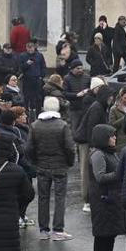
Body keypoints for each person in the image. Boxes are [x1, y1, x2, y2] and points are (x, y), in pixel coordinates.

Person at [28, 95, 76, 240]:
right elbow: (69, 148)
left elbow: (29, 147)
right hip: (60, 166)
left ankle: (43, 230)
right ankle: (58, 229)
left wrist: (35, 161)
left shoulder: (35, 125)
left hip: (42, 165)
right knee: (60, 197)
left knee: (43, 197)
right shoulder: (62, 125)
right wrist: (69, 162)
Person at [87, 124, 126, 251]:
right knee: (102, 234)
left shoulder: (109, 152)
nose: (115, 138)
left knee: (110, 233)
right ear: (103, 137)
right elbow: (100, 177)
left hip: (111, 199)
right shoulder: (98, 154)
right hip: (102, 199)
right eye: (111, 136)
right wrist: (119, 173)